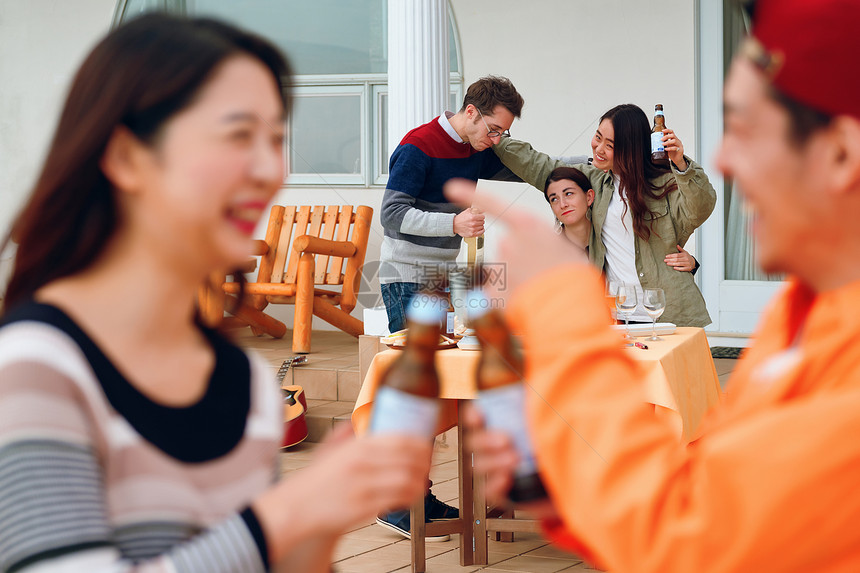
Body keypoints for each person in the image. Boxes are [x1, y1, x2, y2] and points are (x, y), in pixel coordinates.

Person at [0, 15, 432, 573]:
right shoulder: (36, 366)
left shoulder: (245, 383)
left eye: (276, 138)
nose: (271, 167)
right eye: (236, 135)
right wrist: (295, 510)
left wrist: (316, 533)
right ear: (127, 155)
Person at [446, 0, 860, 570]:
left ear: (840, 152)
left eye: (744, 127)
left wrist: (561, 313)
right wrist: (560, 478)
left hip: (665, 317)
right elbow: (694, 505)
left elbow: (692, 545)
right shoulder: (800, 318)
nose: (725, 155)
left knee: (677, 419)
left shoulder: (666, 192)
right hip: (621, 320)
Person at [374, 75, 524, 540]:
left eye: (504, 133)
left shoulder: (475, 148)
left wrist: (600, 162)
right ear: (472, 111)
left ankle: (418, 497)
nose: (496, 141)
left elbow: (533, 168)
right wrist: (454, 222)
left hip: (438, 281)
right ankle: (397, 504)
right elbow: (393, 216)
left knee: (436, 394)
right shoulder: (418, 146)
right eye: (494, 129)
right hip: (407, 281)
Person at [494, 104, 715, 326]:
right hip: (620, 317)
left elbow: (700, 207)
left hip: (670, 313)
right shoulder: (591, 181)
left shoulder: (665, 183)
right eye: (598, 137)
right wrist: (494, 136)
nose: (598, 148)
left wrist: (680, 162)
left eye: (609, 145)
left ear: (631, 149)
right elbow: (538, 165)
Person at [545, 166, 699, 273]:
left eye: (569, 194)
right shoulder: (547, 252)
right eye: (554, 199)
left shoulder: (612, 235)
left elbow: (645, 266)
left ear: (589, 197)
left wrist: (690, 263)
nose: (563, 204)